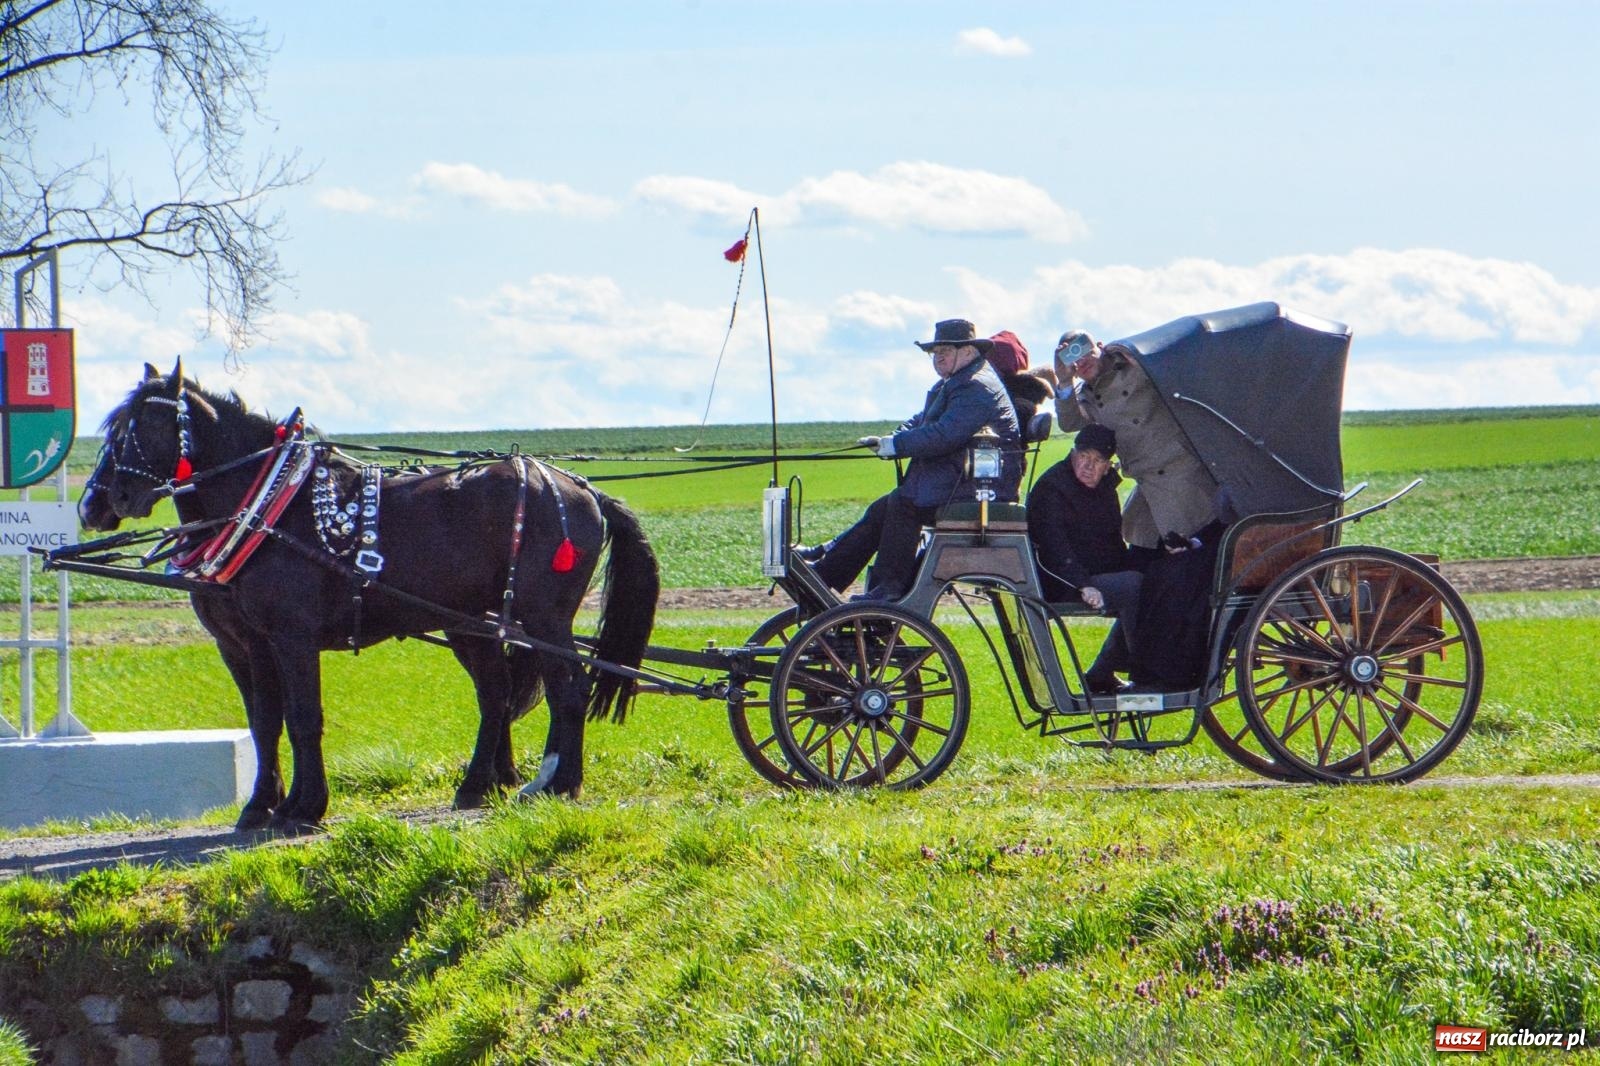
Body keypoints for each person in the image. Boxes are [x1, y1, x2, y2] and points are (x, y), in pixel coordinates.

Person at [800, 318, 1021, 601]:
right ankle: (827, 571)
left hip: (982, 488)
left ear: (968, 351)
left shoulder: (976, 387)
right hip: (961, 481)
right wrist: (892, 439)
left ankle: (888, 589)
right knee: (888, 505)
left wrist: (895, 446)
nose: (938, 356)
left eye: (946, 349)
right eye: (935, 351)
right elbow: (921, 420)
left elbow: (944, 434)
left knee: (904, 504)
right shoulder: (957, 382)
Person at [1052, 329, 1223, 688]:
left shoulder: (1135, 366)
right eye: (1070, 356)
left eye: (1084, 350)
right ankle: (1111, 667)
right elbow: (1069, 423)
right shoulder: (1088, 395)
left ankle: (1151, 671)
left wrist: (1128, 350)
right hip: (1148, 487)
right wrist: (1063, 382)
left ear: (1100, 345)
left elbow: (1171, 368)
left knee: (1169, 578)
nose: (1080, 361)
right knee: (1138, 577)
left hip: (1180, 479)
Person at [1026, 423, 1144, 693]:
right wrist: (1083, 584)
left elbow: (1113, 544)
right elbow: (1054, 548)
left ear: (1108, 465)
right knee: (1134, 586)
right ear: (1072, 454)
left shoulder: (1104, 489)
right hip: (1061, 581)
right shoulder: (1052, 489)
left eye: (1098, 460)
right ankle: (1145, 673)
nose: (1088, 466)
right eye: (1083, 457)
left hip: (1091, 573)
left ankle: (1103, 672)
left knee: (1154, 577)